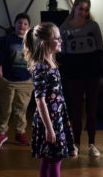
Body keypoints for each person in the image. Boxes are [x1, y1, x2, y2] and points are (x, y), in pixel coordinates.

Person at [23, 22, 75, 177]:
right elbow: (40, 101)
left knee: (48, 158)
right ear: (45, 43)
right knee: (54, 159)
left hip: (57, 118)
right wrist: (49, 128)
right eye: (57, 38)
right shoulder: (41, 68)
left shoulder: (52, 64)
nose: (61, 41)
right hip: (49, 121)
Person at [60, 0, 103, 156]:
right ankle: (75, 143)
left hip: (92, 72)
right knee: (76, 111)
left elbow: (99, 48)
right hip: (74, 73)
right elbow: (62, 52)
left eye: (86, 9)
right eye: (81, 9)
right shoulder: (64, 27)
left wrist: (96, 69)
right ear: (74, 8)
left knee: (92, 110)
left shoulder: (93, 25)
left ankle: (92, 144)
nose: (83, 12)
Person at [0, 13, 33, 148]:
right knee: (5, 108)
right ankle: (1, 133)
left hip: (26, 82)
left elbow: (36, 59)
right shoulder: (7, 40)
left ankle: (19, 134)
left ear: (29, 27)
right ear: (15, 24)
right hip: (8, 81)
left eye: (25, 24)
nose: (22, 25)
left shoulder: (32, 41)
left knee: (21, 109)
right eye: (19, 23)